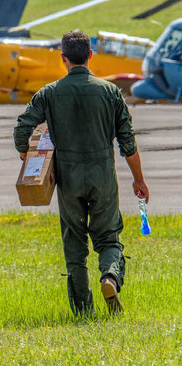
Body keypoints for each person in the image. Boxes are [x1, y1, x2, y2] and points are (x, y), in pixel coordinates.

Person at [13, 31, 149, 316]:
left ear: (64, 59)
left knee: (74, 245)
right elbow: (128, 143)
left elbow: (22, 131)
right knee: (109, 237)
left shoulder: (49, 93)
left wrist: (34, 161)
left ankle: (83, 312)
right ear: (90, 56)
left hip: (68, 179)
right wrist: (139, 180)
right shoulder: (110, 92)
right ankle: (110, 277)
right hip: (102, 178)